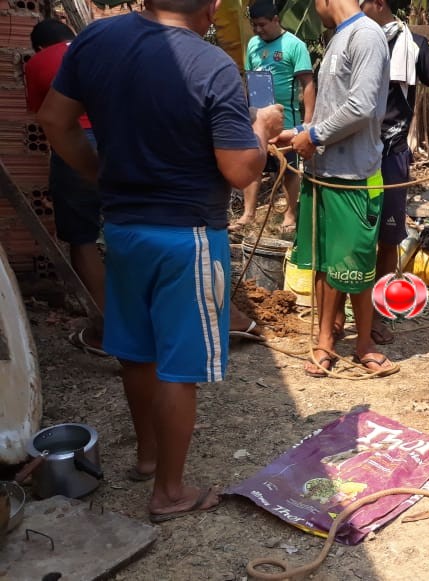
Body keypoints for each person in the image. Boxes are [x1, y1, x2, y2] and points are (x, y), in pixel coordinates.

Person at [40, 0, 283, 521]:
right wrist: (261, 128)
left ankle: (149, 459)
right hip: (187, 235)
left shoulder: (96, 40)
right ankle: (169, 492)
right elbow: (241, 171)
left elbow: (54, 120)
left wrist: (98, 174)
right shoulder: (211, 63)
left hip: (123, 230)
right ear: (213, 7)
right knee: (179, 367)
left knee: (135, 349)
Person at [279, 0, 393, 377]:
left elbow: (361, 106)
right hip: (324, 170)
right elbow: (333, 108)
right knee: (326, 262)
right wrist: (298, 133)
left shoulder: (366, 36)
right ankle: (326, 340)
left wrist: (314, 134)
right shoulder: (340, 37)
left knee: (356, 261)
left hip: (354, 175)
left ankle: (364, 342)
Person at [360, 0, 429, 345]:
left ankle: (378, 312)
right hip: (355, 152)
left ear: (379, 3)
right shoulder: (353, 37)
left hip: (392, 154)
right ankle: (345, 313)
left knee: (387, 238)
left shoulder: (414, 46)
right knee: (354, 237)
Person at [24, 19, 107, 356]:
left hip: (78, 140)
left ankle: (109, 329)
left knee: (82, 237)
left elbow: (44, 116)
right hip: (124, 140)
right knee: (130, 227)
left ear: (40, 46)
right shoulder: (101, 47)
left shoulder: (39, 62)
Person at [229, 0, 315, 234]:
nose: (258, 30)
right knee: (254, 167)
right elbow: (248, 80)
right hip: (257, 120)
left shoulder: (294, 45)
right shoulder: (254, 45)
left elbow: (307, 83)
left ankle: (289, 215)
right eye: (254, 25)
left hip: (287, 122)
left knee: (287, 170)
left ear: (276, 20)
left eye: (262, 25)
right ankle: (248, 214)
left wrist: (307, 122)